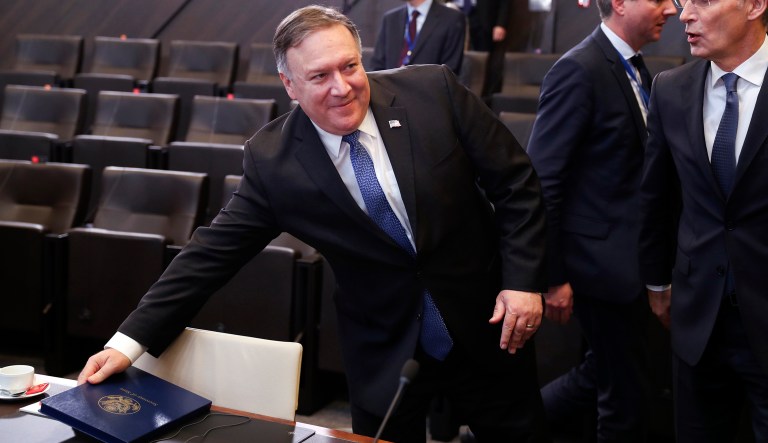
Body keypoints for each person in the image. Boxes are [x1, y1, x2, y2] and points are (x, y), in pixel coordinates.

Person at [77, 5, 550, 443]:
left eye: (349, 67)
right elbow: (208, 256)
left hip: (490, 324)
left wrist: (524, 282)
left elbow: (516, 183)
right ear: (290, 85)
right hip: (383, 348)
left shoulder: (435, 92)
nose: (342, 88)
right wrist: (128, 343)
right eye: (320, 76)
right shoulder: (274, 161)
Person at [526, 0, 676, 441]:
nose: (671, 8)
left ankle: (502, 431)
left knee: (609, 376)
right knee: (623, 401)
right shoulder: (579, 68)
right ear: (620, 3)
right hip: (599, 269)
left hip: (630, 263)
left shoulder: (635, 67)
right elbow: (544, 182)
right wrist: (552, 278)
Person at [639, 0, 768, 440]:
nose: (685, 15)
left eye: (703, 1)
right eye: (683, 2)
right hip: (696, 320)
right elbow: (656, 198)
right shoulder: (670, 89)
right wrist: (657, 283)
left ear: (755, 5)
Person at [369, 0, 466, 74]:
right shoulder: (390, 19)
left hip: (427, 96)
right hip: (388, 94)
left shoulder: (452, 19)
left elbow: (450, 71)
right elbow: (377, 65)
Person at [450, 0, 511, 97]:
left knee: (482, 61)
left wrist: (501, 24)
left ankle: (477, 98)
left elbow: (504, 2)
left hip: (483, 18)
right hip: (453, 13)